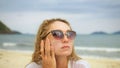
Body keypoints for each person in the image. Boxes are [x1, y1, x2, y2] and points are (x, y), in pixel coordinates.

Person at [26, 18, 90, 68]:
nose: (66, 39)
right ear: (43, 41)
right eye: (57, 34)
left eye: (70, 34)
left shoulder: (82, 66)